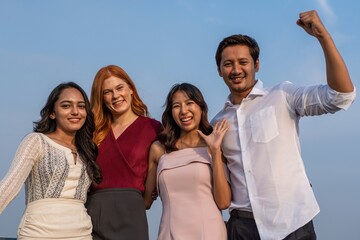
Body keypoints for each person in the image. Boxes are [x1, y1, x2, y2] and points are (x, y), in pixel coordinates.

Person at [211, 10, 356, 240]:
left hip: (293, 224)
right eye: (228, 64)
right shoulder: (217, 123)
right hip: (242, 228)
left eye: (243, 62)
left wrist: (323, 36)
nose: (236, 70)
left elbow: (340, 96)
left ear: (256, 64)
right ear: (219, 70)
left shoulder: (282, 96)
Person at [0, 82, 102, 239]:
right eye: (66, 106)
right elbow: (9, 186)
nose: (75, 111)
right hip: (39, 232)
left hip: (81, 233)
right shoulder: (36, 141)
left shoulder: (87, 150)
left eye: (81, 106)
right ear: (52, 113)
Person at [144, 83, 231, 240]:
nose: (184, 111)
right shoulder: (159, 149)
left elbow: (224, 202)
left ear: (201, 108)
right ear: (171, 112)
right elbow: (146, 201)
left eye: (189, 103)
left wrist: (215, 152)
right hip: (169, 233)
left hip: (209, 232)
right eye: (177, 106)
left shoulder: (215, 145)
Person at [85, 65, 162, 240]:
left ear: (131, 89)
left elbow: (161, 166)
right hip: (92, 213)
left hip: (131, 213)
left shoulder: (152, 128)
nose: (115, 96)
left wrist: (149, 195)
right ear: (101, 98)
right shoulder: (92, 131)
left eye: (119, 88)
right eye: (107, 92)